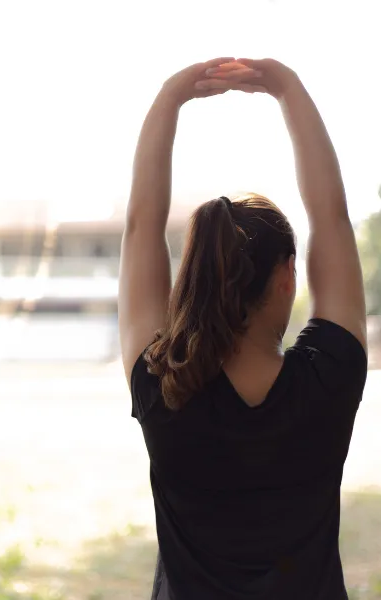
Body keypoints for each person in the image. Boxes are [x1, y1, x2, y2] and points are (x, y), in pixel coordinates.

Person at [118, 58, 367, 599]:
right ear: (285, 278)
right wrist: (288, 88)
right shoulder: (331, 377)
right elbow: (332, 215)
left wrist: (169, 97)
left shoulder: (163, 386)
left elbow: (140, 226)